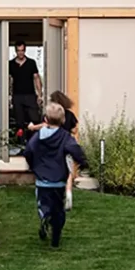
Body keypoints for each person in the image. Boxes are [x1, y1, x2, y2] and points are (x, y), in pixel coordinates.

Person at [23, 101, 86, 248]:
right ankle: (55, 238)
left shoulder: (38, 137)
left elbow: (28, 151)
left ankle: (45, 216)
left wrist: (33, 166)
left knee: (43, 204)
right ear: (63, 120)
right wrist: (83, 162)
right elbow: (75, 150)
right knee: (58, 210)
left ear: (45, 119)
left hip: (42, 180)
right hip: (58, 181)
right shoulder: (65, 137)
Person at [27, 91, 79, 210]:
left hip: (54, 149)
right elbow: (75, 129)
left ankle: (46, 196)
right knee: (68, 171)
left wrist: (32, 127)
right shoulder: (69, 114)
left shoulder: (50, 116)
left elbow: (44, 126)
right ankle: (68, 191)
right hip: (67, 147)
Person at [9, 41, 42, 142]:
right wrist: (8, 95)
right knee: (19, 122)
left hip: (30, 95)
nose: (20, 53)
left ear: (25, 50)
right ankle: (20, 143)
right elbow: (8, 80)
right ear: (16, 51)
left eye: (22, 50)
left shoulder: (31, 63)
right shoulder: (11, 64)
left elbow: (36, 78)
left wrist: (39, 95)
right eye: (18, 51)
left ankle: (34, 142)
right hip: (17, 96)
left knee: (34, 119)